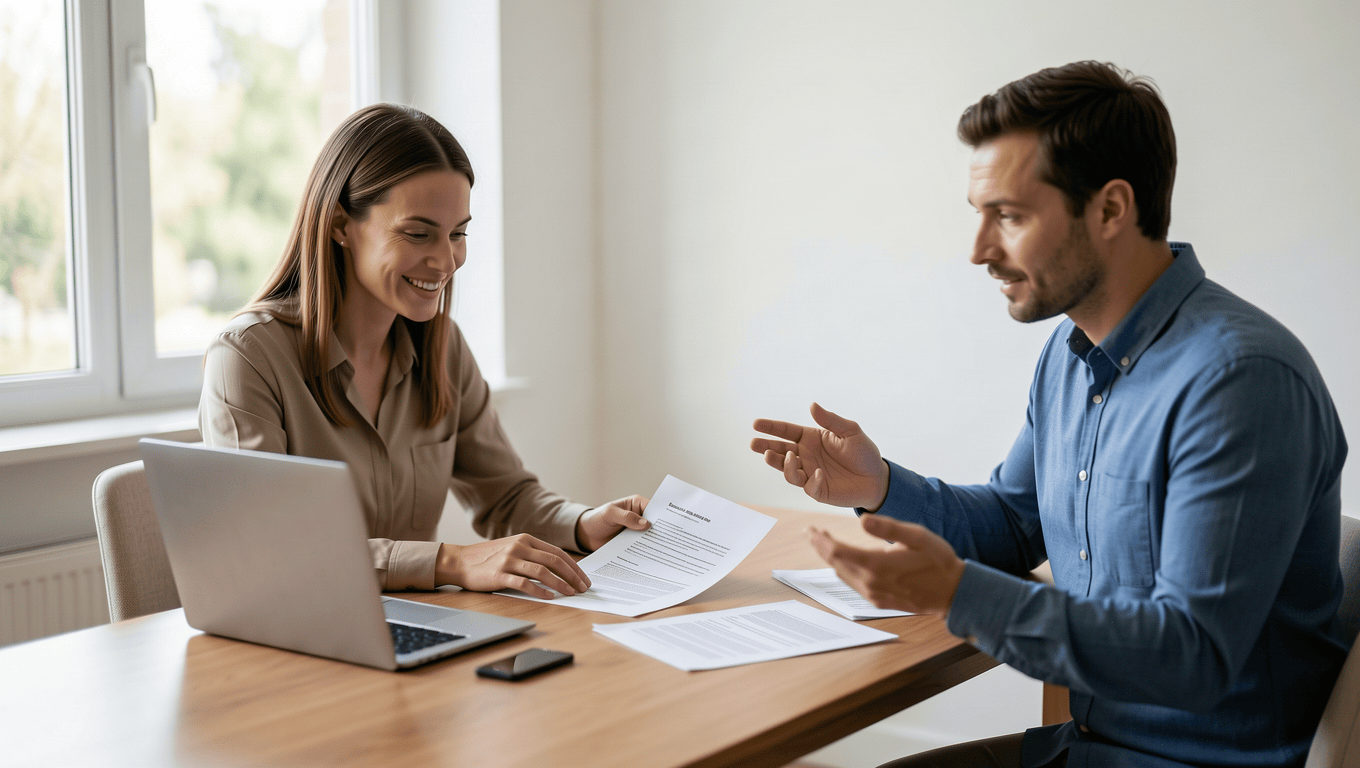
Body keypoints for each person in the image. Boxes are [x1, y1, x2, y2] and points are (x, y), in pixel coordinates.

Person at [751, 61, 1348, 767]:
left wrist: (959, 592)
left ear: (1110, 209)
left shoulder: (1239, 381)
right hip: (1089, 746)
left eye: (1008, 215)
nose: (978, 251)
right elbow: (1011, 525)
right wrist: (877, 486)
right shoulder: (1070, 358)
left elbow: (1192, 657)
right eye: (978, 215)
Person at [201, 103, 649, 599]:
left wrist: (585, 524)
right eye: (418, 234)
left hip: (419, 629)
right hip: (300, 636)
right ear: (339, 225)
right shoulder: (247, 358)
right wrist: (451, 561)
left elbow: (507, 495)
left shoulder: (443, 348)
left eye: (458, 233)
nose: (445, 260)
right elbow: (272, 548)